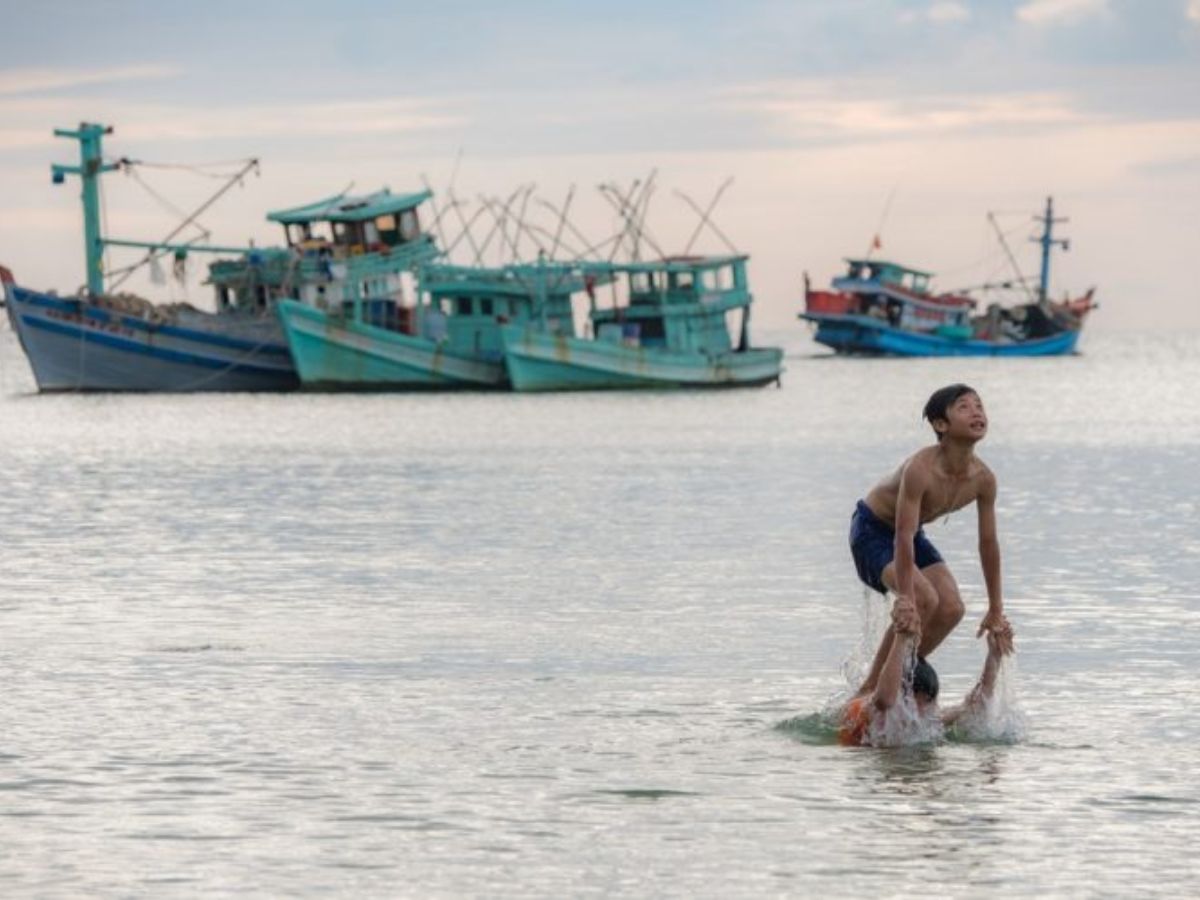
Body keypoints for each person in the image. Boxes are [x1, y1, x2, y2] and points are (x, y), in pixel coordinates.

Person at [849, 384, 1013, 697]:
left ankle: (903, 676)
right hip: (873, 530)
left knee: (952, 608)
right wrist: (907, 600)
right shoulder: (920, 469)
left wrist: (995, 609)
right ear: (941, 425)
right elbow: (902, 533)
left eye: (979, 405)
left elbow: (988, 544)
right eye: (964, 407)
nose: (977, 411)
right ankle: (869, 690)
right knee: (924, 598)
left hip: (911, 533)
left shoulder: (984, 479)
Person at [839, 595, 1013, 746]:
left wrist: (994, 655)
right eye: (915, 702)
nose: (920, 712)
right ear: (901, 697)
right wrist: (901, 639)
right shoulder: (874, 712)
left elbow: (974, 706)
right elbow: (884, 699)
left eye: (928, 701)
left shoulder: (929, 719)